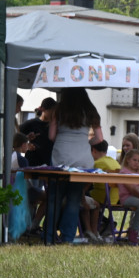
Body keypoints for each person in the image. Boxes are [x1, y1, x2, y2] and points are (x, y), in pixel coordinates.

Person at [47, 88, 103, 244]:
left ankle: (49, 236)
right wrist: (85, 143)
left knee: (54, 198)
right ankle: (68, 237)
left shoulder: (59, 110)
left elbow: (51, 136)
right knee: (74, 199)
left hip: (61, 157)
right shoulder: (90, 110)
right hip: (82, 159)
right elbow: (99, 139)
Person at [81, 140, 121, 243]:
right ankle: (97, 229)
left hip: (102, 196)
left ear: (93, 150)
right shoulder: (114, 161)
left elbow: (89, 182)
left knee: (81, 196)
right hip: (115, 197)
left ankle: (88, 230)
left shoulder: (96, 163)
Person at [19, 97, 56, 167]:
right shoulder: (31, 123)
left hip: (49, 162)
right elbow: (16, 137)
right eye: (52, 111)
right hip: (33, 161)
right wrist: (27, 145)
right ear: (43, 109)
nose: (53, 114)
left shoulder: (55, 125)